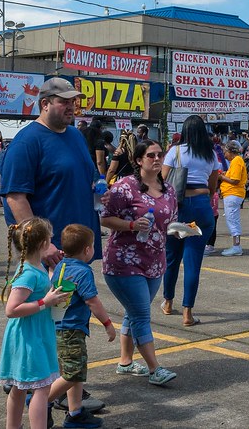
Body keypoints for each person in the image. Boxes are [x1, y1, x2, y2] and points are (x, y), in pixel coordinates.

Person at [101, 139, 179, 386]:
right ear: (138, 160)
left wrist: (182, 230)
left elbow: (171, 221)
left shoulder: (169, 189)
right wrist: (131, 225)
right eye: (150, 155)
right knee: (142, 314)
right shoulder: (125, 187)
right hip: (124, 262)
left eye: (159, 155)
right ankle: (155, 369)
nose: (157, 159)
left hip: (155, 261)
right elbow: (106, 218)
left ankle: (125, 362)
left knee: (132, 312)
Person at [1, 77, 101, 266]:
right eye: (64, 101)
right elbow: (15, 198)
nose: (71, 107)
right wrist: (40, 244)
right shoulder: (27, 142)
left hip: (78, 250)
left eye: (73, 102)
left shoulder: (76, 135)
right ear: (45, 104)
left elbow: (81, 179)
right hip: (51, 254)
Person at [0, 218, 70, 429]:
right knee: (42, 388)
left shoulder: (35, 266)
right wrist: (44, 302)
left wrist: (53, 287)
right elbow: (11, 309)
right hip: (29, 336)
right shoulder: (28, 273)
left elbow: (41, 287)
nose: (53, 240)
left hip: (35, 333)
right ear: (42, 244)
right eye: (50, 238)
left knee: (20, 388)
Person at [49, 225, 117, 428]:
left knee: (74, 373)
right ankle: (41, 400)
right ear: (87, 250)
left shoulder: (62, 265)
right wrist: (108, 324)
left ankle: (75, 412)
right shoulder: (83, 272)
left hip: (59, 325)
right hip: (71, 330)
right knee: (73, 373)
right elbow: (92, 301)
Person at [160, 115, 221, 326]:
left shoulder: (175, 151)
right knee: (193, 261)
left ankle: (167, 303)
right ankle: (188, 314)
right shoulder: (210, 154)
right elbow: (213, 186)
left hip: (179, 210)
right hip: (201, 211)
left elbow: (163, 180)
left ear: (184, 131)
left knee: (171, 258)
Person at [219, 141, 248, 257]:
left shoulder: (236, 161)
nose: (224, 155)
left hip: (233, 193)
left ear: (230, 151)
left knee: (232, 220)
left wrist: (221, 177)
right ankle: (236, 246)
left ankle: (236, 247)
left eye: (225, 152)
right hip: (232, 194)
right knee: (232, 219)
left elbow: (235, 180)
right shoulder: (236, 161)